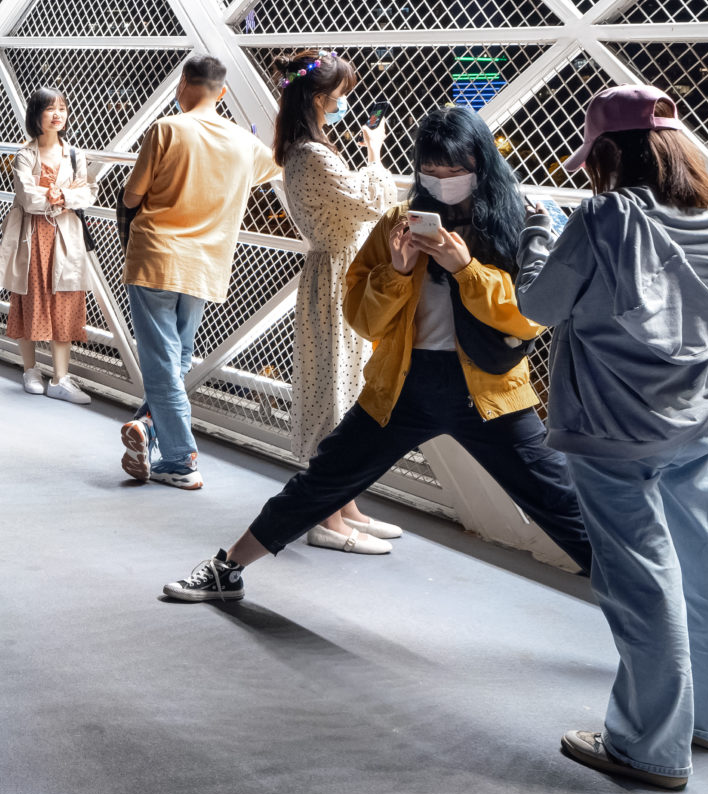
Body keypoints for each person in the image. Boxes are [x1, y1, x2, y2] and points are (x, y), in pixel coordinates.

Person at [161, 106, 593, 602]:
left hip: (490, 392)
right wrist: (399, 270)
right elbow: (363, 319)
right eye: (430, 171)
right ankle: (226, 569)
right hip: (402, 385)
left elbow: (527, 318)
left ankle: (650, 605)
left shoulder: (517, 221)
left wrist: (465, 268)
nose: (441, 181)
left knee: (559, 502)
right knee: (325, 478)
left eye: (454, 170)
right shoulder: (397, 222)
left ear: (481, 161)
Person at [520, 87, 708, 792]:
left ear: (610, 154)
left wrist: (537, 235)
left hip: (614, 426)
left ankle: (649, 746)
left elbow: (540, 305)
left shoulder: (602, 215)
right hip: (696, 414)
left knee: (641, 580)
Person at [115, 55, 279, 488]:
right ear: (222, 92)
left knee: (161, 361)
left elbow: (133, 196)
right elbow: (279, 163)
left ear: (184, 84)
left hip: (156, 257)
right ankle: (146, 427)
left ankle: (180, 459)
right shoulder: (245, 143)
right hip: (207, 265)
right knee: (179, 358)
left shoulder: (168, 129)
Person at [273, 51, 402, 551]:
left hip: (334, 276)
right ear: (320, 99)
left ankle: (345, 505)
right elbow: (376, 202)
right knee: (337, 395)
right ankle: (328, 522)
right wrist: (375, 155)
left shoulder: (301, 151)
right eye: (341, 93)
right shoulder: (314, 155)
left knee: (344, 391)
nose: (345, 102)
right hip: (337, 281)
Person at [0, 87, 96, 405]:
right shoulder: (25, 154)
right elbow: (27, 198)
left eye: (62, 109)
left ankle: (61, 377)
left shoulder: (75, 154)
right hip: (33, 237)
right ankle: (30, 369)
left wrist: (60, 195)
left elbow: (88, 194)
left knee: (64, 303)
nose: (57, 114)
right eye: (50, 108)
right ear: (35, 114)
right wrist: (64, 195)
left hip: (66, 238)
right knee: (29, 300)